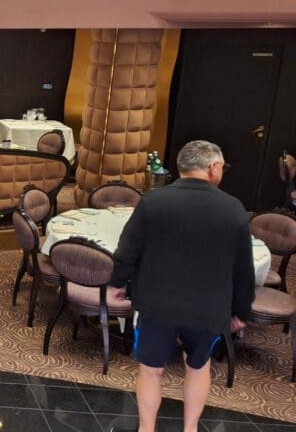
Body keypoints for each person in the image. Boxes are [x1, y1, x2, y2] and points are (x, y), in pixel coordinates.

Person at [109, 140, 254, 432]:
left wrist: (118, 283)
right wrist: (240, 310)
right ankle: (190, 429)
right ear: (213, 168)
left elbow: (128, 249)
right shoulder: (233, 209)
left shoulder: (153, 201)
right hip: (208, 308)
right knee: (198, 368)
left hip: (156, 304)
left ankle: (146, 429)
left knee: (151, 371)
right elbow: (243, 269)